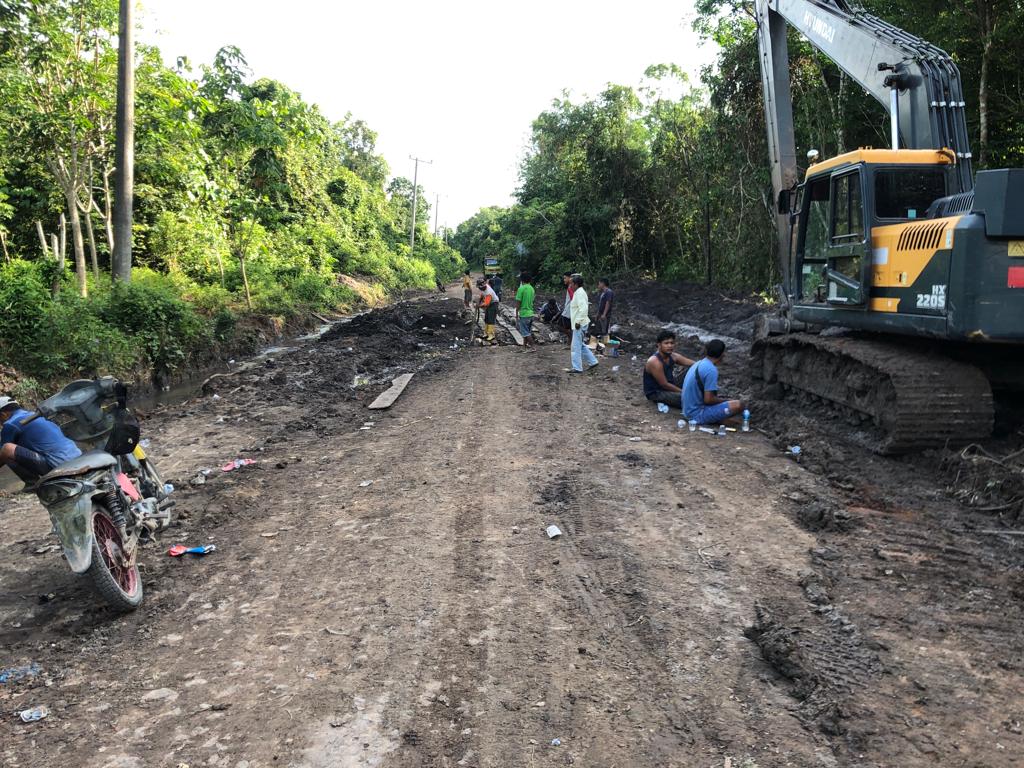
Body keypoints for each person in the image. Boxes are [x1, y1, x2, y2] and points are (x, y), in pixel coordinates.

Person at [0, 396, 81, 484]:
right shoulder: (36, 415)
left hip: (59, 467)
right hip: (77, 459)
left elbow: (2, 454)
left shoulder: (11, 424)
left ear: (3, 414)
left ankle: (32, 484)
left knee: (7, 449)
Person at [682, 339, 746, 425]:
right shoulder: (711, 370)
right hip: (696, 414)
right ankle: (716, 419)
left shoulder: (698, 363)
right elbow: (708, 400)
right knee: (739, 405)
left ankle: (718, 419)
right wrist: (726, 400)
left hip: (687, 411)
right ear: (722, 354)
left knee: (725, 404)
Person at [643, 330, 697, 407]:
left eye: (672, 343)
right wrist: (684, 392)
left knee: (695, 369)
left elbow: (695, 364)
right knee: (689, 399)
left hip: (671, 383)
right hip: (657, 392)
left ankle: (700, 393)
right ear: (659, 345)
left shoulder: (673, 356)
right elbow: (664, 385)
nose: (670, 346)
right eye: (666, 343)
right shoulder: (655, 361)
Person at [567, 274, 599, 373]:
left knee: (575, 346)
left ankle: (577, 367)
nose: (570, 285)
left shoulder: (580, 293)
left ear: (576, 284)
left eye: (571, 283)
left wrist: (577, 321)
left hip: (579, 323)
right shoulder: (579, 292)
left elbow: (583, 309)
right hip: (580, 322)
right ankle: (593, 361)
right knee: (580, 345)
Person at [514, 273, 537, 348]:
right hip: (530, 313)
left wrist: (516, 312)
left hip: (524, 313)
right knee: (527, 332)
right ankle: (524, 347)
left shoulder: (521, 289)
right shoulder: (532, 288)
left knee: (525, 333)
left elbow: (518, 302)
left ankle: (533, 346)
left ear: (522, 280)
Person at [476, 279, 499, 345]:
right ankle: (486, 333)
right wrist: (479, 300)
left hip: (494, 304)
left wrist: (479, 306)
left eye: (480, 287)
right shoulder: (483, 289)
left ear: (483, 286)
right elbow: (482, 295)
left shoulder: (488, 292)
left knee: (491, 319)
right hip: (489, 303)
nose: (480, 288)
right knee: (486, 318)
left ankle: (491, 335)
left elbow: (486, 304)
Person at [595, 277, 614, 349]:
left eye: (599, 283)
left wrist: (604, 314)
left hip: (605, 315)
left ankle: (606, 348)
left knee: (605, 331)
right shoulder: (603, 293)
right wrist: (598, 314)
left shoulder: (609, 292)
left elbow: (608, 303)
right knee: (601, 331)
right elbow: (601, 305)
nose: (598, 285)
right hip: (601, 315)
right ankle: (602, 346)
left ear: (603, 283)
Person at [558, 271, 575, 338]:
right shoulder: (572, 286)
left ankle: (571, 338)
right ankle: (570, 342)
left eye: (565, 278)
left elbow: (572, 298)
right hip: (570, 310)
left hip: (568, 311)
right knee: (570, 327)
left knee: (560, 326)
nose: (564, 280)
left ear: (570, 278)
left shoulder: (570, 287)